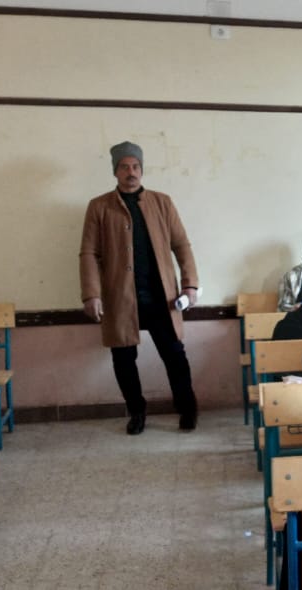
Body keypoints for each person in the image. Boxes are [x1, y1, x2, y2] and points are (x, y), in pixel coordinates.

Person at [79, 141, 200, 435]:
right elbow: (89, 253)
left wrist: (190, 284)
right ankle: (137, 412)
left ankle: (187, 409)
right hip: (120, 297)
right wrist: (92, 294)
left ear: (142, 170)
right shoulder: (99, 206)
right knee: (123, 359)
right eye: (124, 167)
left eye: (135, 166)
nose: (130, 172)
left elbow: (181, 245)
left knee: (174, 355)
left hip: (161, 297)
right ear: (115, 171)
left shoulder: (162, 202)